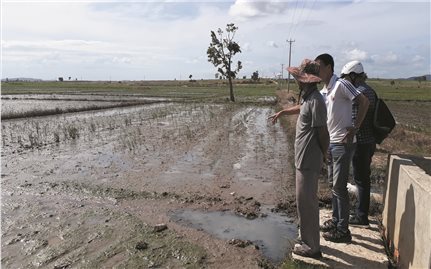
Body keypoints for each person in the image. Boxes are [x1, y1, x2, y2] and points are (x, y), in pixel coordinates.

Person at [269, 59, 329, 258]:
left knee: (307, 203)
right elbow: (301, 109)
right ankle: (308, 239)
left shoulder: (316, 101)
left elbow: (323, 133)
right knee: (303, 201)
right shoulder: (308, 98)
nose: (296, 81)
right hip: (303, 158)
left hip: (309, 159)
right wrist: (283, 111)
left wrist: (324, 154)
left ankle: (311, 247)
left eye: (298, 78)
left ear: (305, 80)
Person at [314, 53, 369, 243]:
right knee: (333, 185)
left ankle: (343, 230)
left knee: (339, 187)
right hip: (331, 144)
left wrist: (356, 127)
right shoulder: (324, 90)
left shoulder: (341, 84)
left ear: (329, 67)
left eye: (319, 67)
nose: (317, 71)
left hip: (342, 144)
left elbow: (364, 102)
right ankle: (336, 221)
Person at [340, 60, 377, 227]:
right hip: (368, 141)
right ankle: (361, 213)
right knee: (362, 178)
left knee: (361, 179)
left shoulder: (360, 93)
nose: (346, 81)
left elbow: (354, 117)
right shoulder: (370, 91)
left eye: (347, 77)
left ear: (354, 76)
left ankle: (361, 216)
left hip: (361, 143)